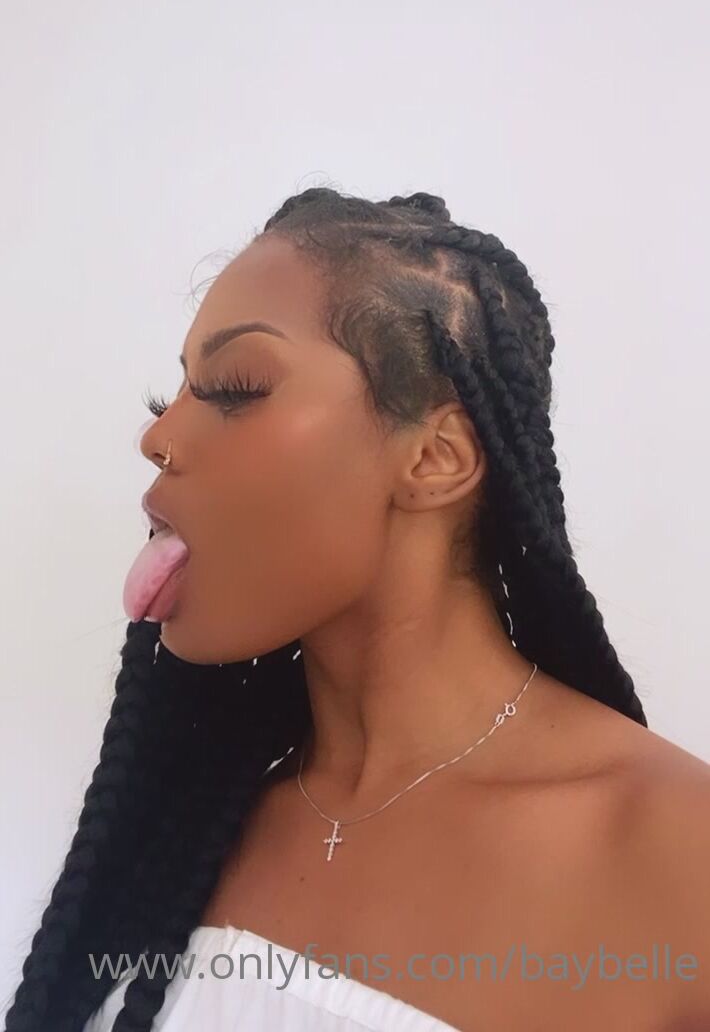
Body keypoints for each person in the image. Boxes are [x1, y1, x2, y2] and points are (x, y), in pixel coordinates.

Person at [6, 187, 709, 1032]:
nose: (157, 439)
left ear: (437, 458)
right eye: (173, 396)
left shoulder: (678, 854)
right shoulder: (192, 825)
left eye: (233, 388)